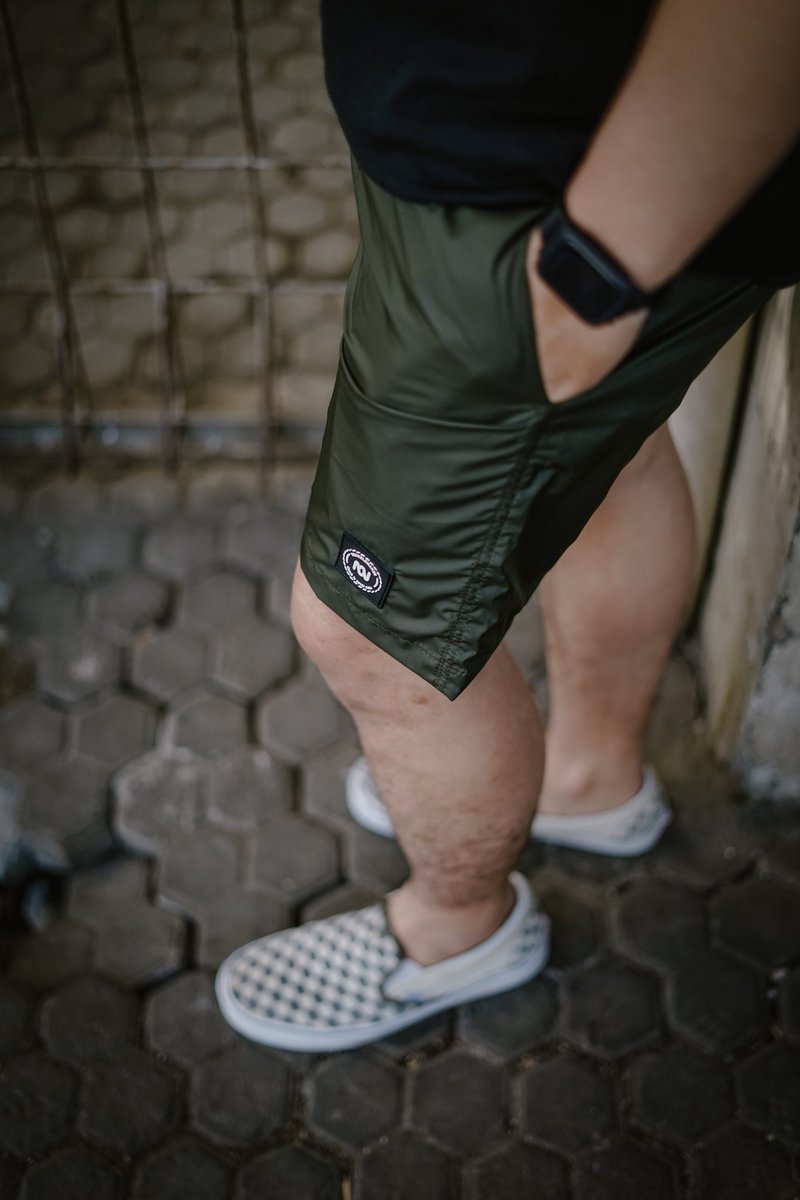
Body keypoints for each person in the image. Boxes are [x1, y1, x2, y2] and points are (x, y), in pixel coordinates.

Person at [214, 0, 800, 1052]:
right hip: (554, 162)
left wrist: (597, 270)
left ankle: (457, 931)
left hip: (555, 203)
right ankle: (590, 781)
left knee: (368, 630)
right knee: (604, 462)